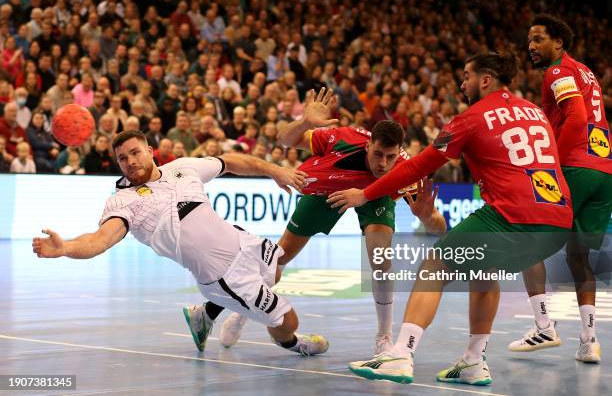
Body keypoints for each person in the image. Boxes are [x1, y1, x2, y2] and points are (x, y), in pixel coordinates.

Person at [328, 53, 572, 385]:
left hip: (513, 215)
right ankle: (473, 361)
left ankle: (401, 353)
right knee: (484, 269)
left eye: (467, 75)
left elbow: (417, 166)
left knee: (435, 264)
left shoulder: (470, 118)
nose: (461, 83)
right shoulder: (536, 112)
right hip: (559, 220)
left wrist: (365, 194)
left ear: (485, 80)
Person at [32, 130, 329, 356]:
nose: (131, 161)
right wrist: (65, 248)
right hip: (224, 277)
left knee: (275, 270)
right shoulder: (122, 202)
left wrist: (273, 169)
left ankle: (210, 313)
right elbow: (99, 240)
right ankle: (294, 344)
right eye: (123, 158)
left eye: (135, 153)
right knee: (288, 322)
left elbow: (230, 162)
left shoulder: (182, 167)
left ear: (150, 151)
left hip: (242, 241)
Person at [217, 88, 446, 355]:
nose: (383, 163)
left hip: (375, 197)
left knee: (381, 258)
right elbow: (286, 140)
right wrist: (304, 122)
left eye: (390, 157)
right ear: (368, 145)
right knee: (278, 258)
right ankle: (242, 313)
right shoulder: (344, 137)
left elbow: (439, 228)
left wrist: (427, 216)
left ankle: (384, 337)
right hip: (330, 188)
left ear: (399, 153)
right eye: (378, 154)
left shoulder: (406, 170)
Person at [506, 14, 612, 363]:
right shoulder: (584, 71)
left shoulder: (558, 72)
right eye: (529, 40)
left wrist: (553, 164)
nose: (531, 46)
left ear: (559, 43)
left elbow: (577, 118)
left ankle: (543, 326)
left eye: (538, 39)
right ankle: (589, 339)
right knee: (577, 257)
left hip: (576, 166)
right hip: (605, 170)